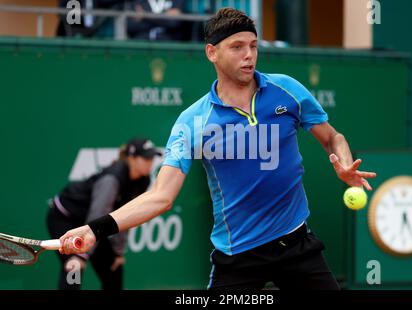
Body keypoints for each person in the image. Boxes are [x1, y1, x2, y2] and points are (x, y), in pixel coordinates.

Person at [59, 8, 377, 290]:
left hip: (295, 243)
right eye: (237, 47)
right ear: (212, 52)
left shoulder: (287, 90)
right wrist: (94, 229)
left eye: (253, 46)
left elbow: (332, 137)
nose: (249, 56)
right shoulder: (193, 122)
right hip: (237, 256)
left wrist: (344, 163)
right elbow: (160, 197)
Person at [47, 137, 161, 290]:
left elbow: (127, 216)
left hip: (90, 224)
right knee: (74, 266)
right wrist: (81, 255)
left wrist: (118, 252)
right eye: (146, 157)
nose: (151, 162)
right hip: (65, 218)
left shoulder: (143, 181)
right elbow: (97, 214)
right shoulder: (112, 179)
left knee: (114, 267)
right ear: (132, 158)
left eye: (152, 157)